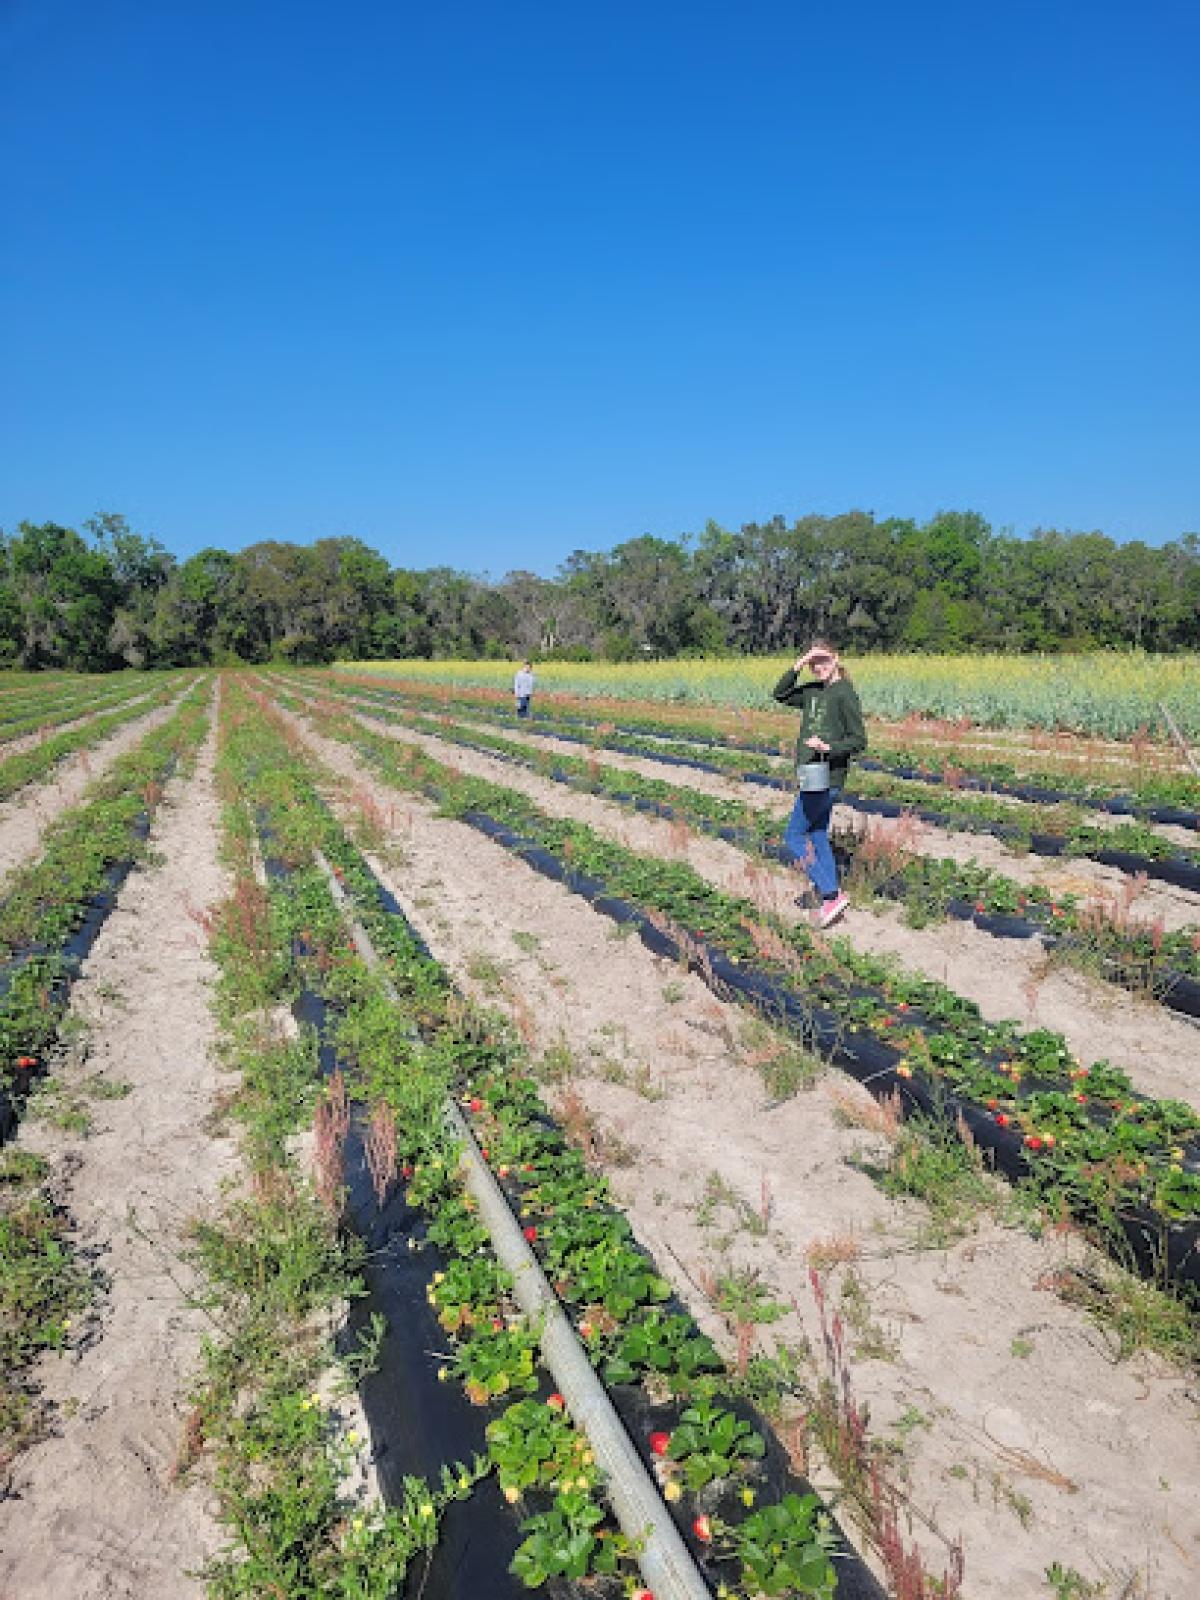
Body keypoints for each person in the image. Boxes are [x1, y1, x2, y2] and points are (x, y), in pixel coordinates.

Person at [772, 640, 867, 928]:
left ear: (836, 659)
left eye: (823, 661)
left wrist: (828, 746)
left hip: (826, 775)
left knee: (794, 836)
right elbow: (779, 694)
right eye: (814, 664)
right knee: (816, 832)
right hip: (810, 773)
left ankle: (830, 893)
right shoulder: (813, 691)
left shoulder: (844, 694)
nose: (819, 668)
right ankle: (831, 895)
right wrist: (800, 663)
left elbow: (859, 740)